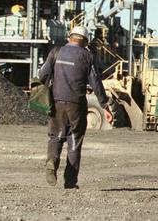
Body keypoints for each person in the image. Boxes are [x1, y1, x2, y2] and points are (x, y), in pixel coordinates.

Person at [39, 26, 112, 189]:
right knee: (74, 140)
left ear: (69, 37)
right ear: (85, 42)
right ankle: (70, 182)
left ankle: (52, 161)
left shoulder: (56, 52)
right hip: (76, 105)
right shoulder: (87, 56)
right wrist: (105, 105)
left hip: (56, 102)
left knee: (56, 136)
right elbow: (96, 83)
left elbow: (42, 75)